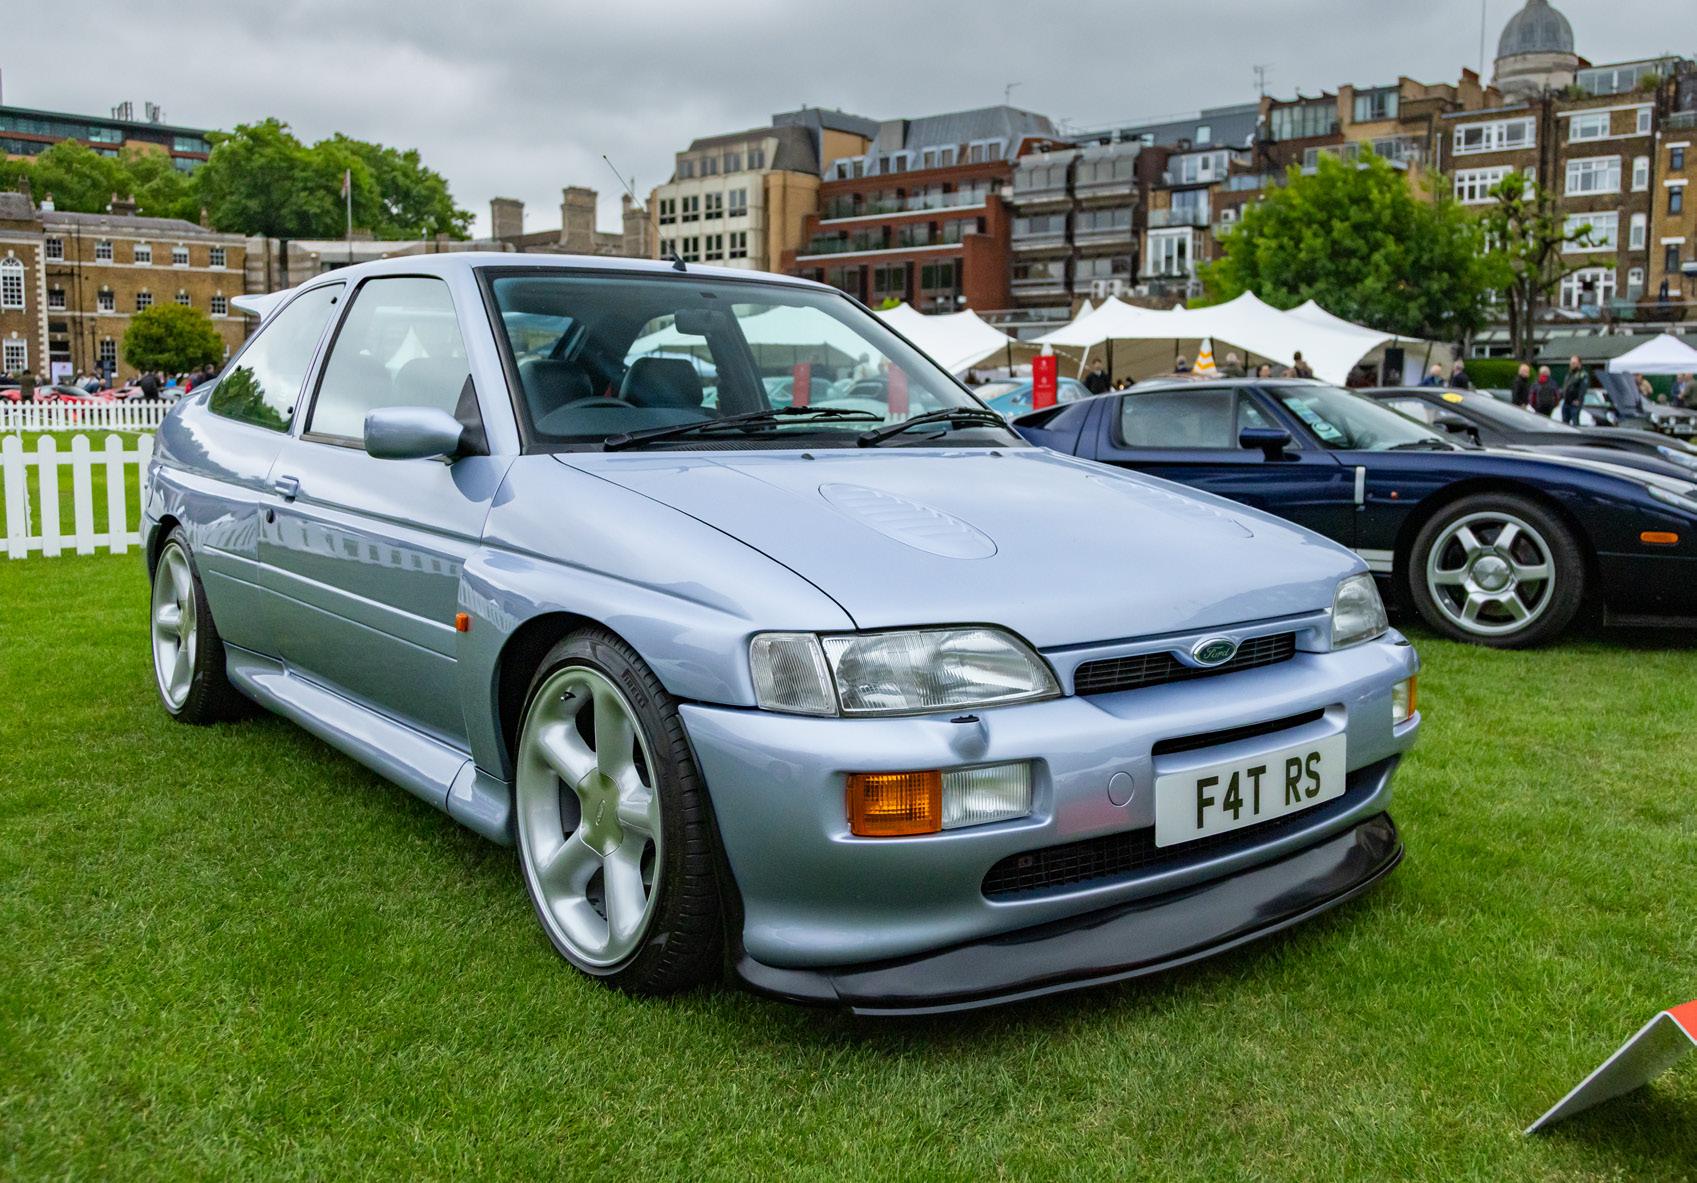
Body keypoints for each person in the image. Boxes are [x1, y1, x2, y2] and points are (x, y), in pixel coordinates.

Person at [1560, 355, 1588, 425]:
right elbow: (1565, 386)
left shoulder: (1582, 374)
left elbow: (1583, 389)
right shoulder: (1569, 374)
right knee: (1564, 423)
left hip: (1574, 403)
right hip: (1566, 401)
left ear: (1579, 364)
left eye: (1574, 363)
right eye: (1571, 363)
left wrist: (1579, 399)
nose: (1571, 365)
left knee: (1575, 422)